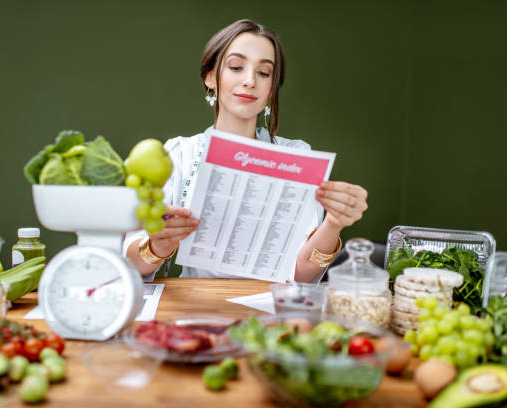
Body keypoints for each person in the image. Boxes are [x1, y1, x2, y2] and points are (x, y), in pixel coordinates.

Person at [124, 19, 368, 282]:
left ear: (272, 88)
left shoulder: (298, 157)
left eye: (264, 73)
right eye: (236, 67)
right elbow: (130, 263)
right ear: (210, 77)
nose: (250, 80)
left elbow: (301, 276)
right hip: (194, 306)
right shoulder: (178, 154)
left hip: (269, 310)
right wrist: (157, 246)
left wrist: (334, 223)